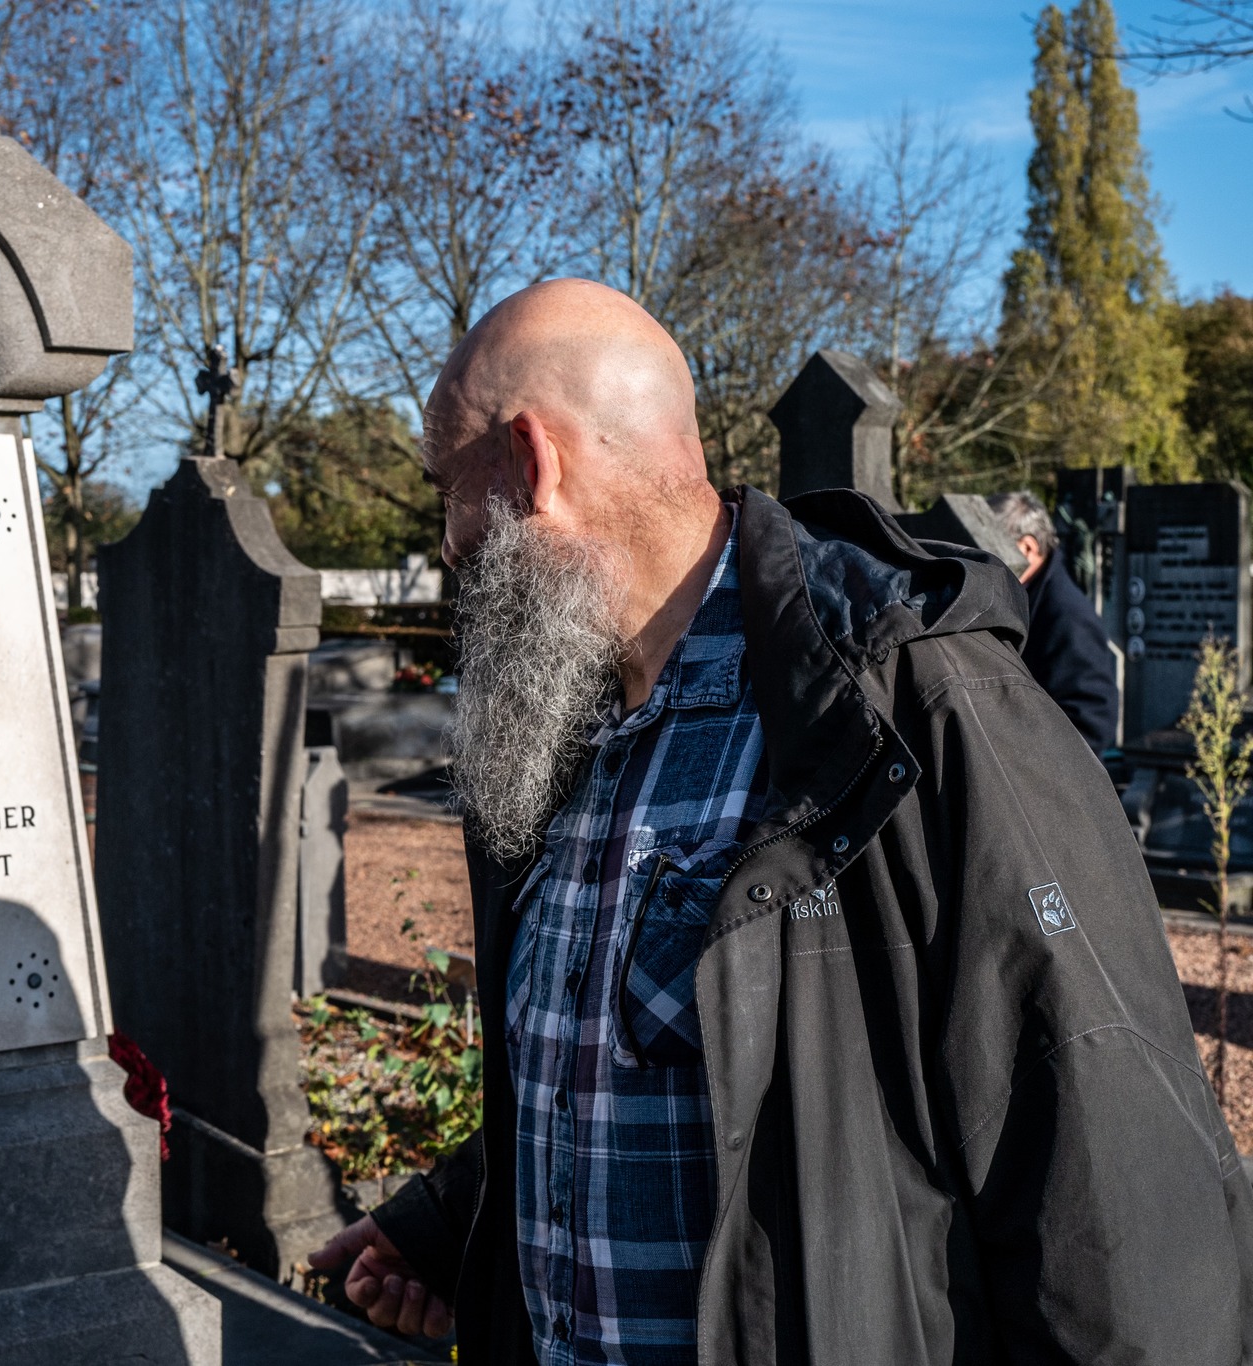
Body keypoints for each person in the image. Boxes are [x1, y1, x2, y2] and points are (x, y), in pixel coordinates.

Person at [307, 279, 1252, 1364]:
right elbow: (654, 1071)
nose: (449, 543)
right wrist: (445, 1223)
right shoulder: (558, 726)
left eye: (449, 489)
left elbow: (1111, 1185)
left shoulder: (912, 705)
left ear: (532, 464)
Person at [986, 490, 1120, 755]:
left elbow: (1091, 721)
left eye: (989, 550)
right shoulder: (1026, 597)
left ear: (1028, 547)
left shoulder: (1067, 614)